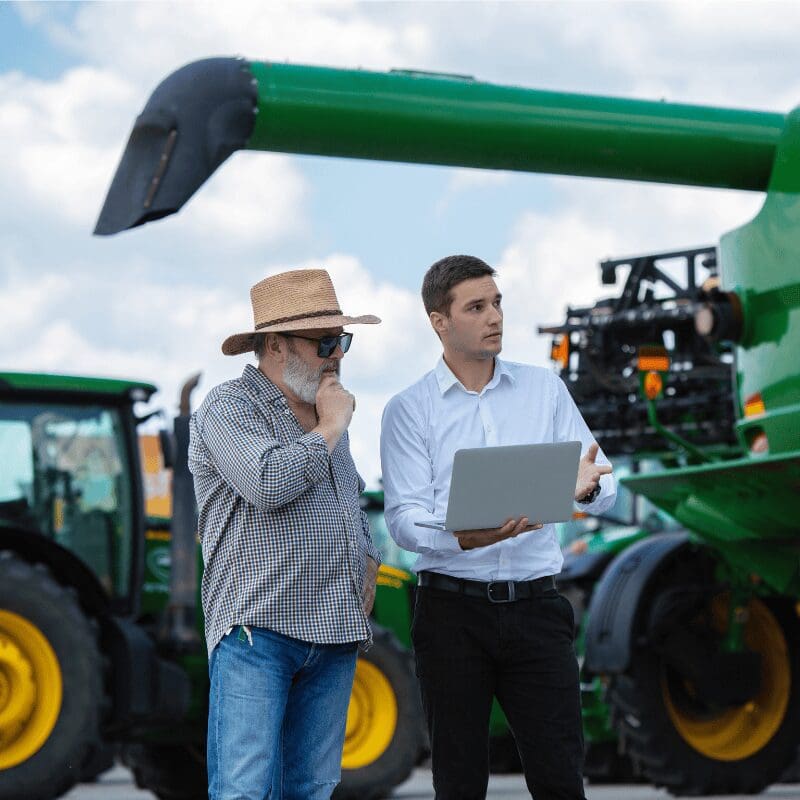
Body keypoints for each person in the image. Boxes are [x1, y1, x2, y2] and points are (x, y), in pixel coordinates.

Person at [380, 254, 615, 800]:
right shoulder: (409, 410)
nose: (495, 317)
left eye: (498, 303)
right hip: (451, 616)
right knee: (459, 784)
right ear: (440, 321)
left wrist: (587, 487)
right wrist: (462, 536)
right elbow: (404, 518)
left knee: (561, 780)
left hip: (538, 611)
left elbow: (604, 481)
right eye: (477, 307)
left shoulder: (545, 391)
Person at [189, 268, 382, 800]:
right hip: (260, 634)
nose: (337, 355)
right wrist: (330, 429)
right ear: (275, 346)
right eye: (324, 342)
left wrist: (367, 562)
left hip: (334, 637)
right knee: (245, 792)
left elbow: (350, 503)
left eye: (342, 341)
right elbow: (268, 483)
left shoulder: (324, 415)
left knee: (312, 791)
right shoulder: (229, 407)